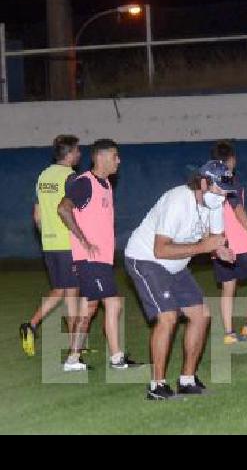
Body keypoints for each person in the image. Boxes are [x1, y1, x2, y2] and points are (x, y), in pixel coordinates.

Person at [124, 160, 235, 399]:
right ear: (203, 182)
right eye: (219, 187)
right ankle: (157, 386)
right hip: (146, 259)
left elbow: (212, 238)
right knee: (168, 317)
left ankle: (187, 379)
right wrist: (202, 246)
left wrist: (220, 250)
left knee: (201, 315)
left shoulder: (215, 203)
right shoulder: (177, 201)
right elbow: (160, 250)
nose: (223, 194)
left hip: (177, 263)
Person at [58, 139, 136, 371]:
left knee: (91, 308)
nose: (118, 161)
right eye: (115, 156)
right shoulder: (85, 183)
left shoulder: (107, 185)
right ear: (99, 157)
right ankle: (116, 358)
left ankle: (73, 359)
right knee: (112, 303)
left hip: (101, 260)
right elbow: (63, 208)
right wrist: (83, 240)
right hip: (90, 259)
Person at [20, 135, 81, 358]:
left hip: (49, 243)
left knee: (60, 290)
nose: (80, 154)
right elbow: (73, 212)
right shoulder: (71, 177)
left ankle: (31, 325)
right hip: (68, 243)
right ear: (70, 153)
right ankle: (75, 351)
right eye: (77, 150)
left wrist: (47, 236)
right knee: (72, 295)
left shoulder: (43, 176)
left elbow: (37, 216)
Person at [209, 141, 247, 344]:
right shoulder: (228, 179)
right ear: (232, 159)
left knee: (228, 287)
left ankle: (228, 334)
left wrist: (245, 217)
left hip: (219, 243)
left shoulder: (208, 181)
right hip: (240, 243)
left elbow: (227, 211)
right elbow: (236, 209)